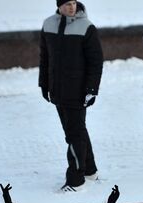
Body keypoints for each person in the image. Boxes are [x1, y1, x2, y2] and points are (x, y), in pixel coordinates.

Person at [39, 0, 104, 192]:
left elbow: (96, 62)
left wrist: (91, 90)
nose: (71, 7)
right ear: (59, 5)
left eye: (74, 3)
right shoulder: (48, 24)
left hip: (77, 91)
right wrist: (44, 84)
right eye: (67, 4)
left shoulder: (86, 27)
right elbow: (44, 58)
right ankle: (90, 170)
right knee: (76, 131)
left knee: (74, 134)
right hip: (57, 90)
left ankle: (76, 180)